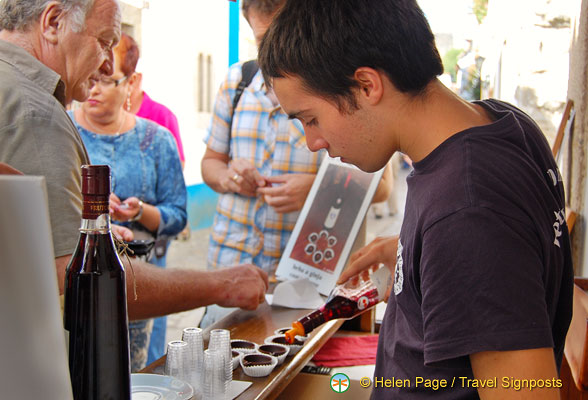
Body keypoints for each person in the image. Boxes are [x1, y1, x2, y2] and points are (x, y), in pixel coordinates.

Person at [258, 0, 573, 399]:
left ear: (366, 85)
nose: (313, 142)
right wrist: (420, 256)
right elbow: (511, 256)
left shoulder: (465, 212)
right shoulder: (503, 123)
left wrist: (448, 242)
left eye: (311, 118)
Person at [0, 0, 268, 363]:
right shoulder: (36, 115)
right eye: (105, 41)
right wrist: (221, 284)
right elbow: (80, 280)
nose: (109, 65)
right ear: (53, 22)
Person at [201, 0, 391, 327]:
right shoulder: (238, 82)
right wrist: (231, 178)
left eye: (282, 35)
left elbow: (382, 186)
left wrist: (317, 192)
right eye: (263, 41)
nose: (274, 52)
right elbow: (210, 164)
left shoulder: (335, 87)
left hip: (307, 279)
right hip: (229, 269)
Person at [68, 32, 187, 370]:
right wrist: (90, 212)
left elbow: (178, 214)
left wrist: (141, 212)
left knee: (143, 373)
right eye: (91, 78)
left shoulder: (157, 140)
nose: (93, 90)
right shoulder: (65, 134)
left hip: (144, 283)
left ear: (131, 82)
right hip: (84, 286)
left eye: (107, 81)